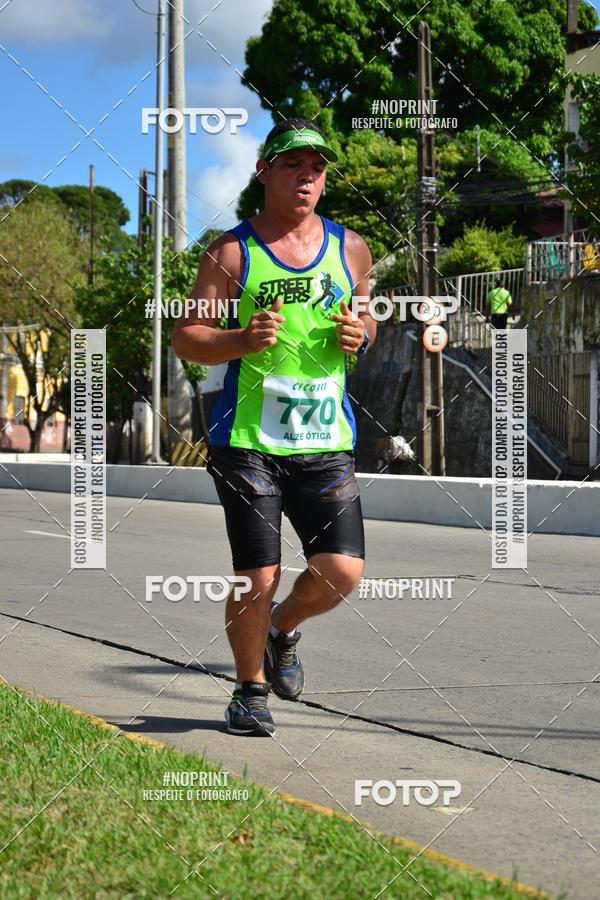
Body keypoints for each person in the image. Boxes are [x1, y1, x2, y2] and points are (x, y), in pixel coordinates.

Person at [172, 117, 376, 736]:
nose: (307, 177)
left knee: (343, 572)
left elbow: (366, 326)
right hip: (246, 442)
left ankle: (281, 630)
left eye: (317, 168)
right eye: (294, 164)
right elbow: (187, 337)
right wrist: (240, 338)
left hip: (324, 440)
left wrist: (359, 335)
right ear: (264, 171)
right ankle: (248, 691)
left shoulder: (352, 249)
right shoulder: (230, 251)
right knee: (257, 572)